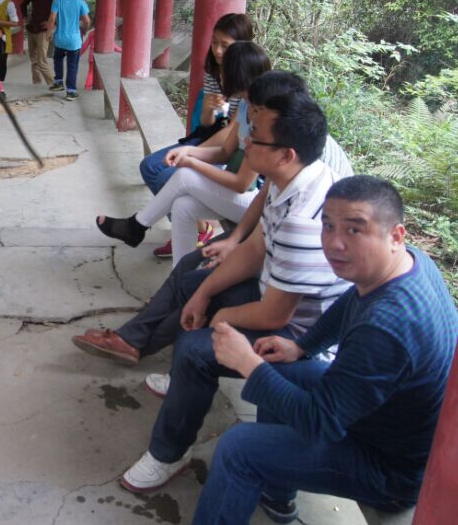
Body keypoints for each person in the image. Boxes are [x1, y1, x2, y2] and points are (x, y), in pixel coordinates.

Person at [102, 90, 354, 495]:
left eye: (256, 135)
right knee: (192, 275)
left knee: (198, 349)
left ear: (286, 154)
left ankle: (168, 453)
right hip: (272, 292)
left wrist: (222, 315)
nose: (246, 139)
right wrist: (204, 294)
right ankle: (150, 351)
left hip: (300, 339)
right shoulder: (286, 178)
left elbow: (275, 317)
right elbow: (255, 248)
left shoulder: (307, 221)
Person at [195, 176, 457, 524]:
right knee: (278, 367)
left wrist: (246, 363)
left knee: (238, 447)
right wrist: (302, 346)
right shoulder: (410, 262)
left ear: (395, 235)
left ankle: (259, 478)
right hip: (379, 416)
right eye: (328, 225)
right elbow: (352, 299)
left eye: (354, 230)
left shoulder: (386, 327)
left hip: (388, 467)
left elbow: (321, 422)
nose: (334, 243)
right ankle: (277, 494)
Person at [73, 72, 355, 376]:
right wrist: (233, 242)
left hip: (291, 283)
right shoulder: (280, 147)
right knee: (190, 249)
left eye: (257, 111)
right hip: (271, 249)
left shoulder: (299, 160)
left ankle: (140, 336)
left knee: (199, 281)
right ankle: (133, 339)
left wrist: (221, 310)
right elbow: (264, 197)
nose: (250, 126)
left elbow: (248, 193)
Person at [95, 42, 271, 264]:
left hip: (259, 204)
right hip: (242, 198)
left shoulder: (263, 116)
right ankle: (178, 282)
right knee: (182, 207)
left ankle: (136, 226)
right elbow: (226, 152)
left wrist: (191, 163)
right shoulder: (246, 106)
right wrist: (188, 150)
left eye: (224, 68)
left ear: (239, 73)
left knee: (185, 176)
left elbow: (241, 184)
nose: (220, 73)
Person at [140, 13, 254, 258]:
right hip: (211, 138)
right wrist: (209, 109)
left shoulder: (252, 87)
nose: (218, 50)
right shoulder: (215, 71)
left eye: (225, 45)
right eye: (214, 43)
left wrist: (191, 156)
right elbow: (208, 125)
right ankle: (190, 229)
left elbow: (231, 141)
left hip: (235, 153)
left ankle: (141, 225)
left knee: (171, 176)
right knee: (151, 167)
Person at [47, 0, 90, 100]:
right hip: (74, 41)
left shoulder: (56, 1)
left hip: (60, 39)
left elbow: (52, 18)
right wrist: (84, 31)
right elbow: (87, 21)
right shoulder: (80, 2)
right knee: (72, 65)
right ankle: (71, 91)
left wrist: (48, 33)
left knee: (58, 59)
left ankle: (59, 82)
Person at [21, 0, 59, 86]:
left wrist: (51, 23)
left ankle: (53, 85)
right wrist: (26, 16)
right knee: (34, 60)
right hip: (32, 28)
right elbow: (23, 5)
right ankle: (36, 85)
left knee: (41, 61)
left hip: (44, 30)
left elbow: (60, 10)